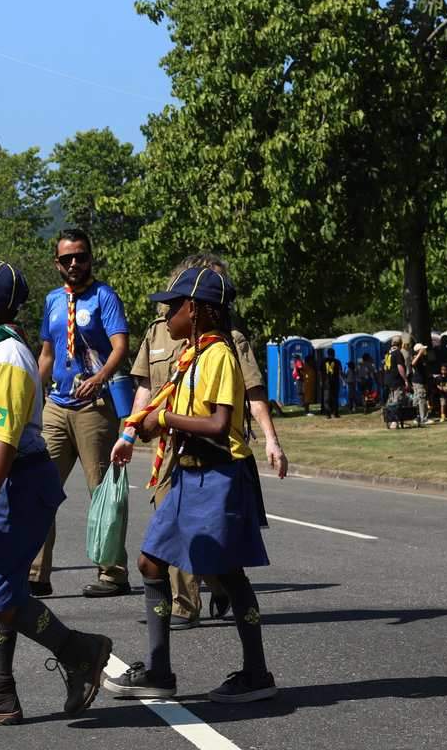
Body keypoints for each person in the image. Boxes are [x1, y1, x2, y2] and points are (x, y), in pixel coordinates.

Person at [0, 260, 113, 725]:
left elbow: (5, 437)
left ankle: (79, 650)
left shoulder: (6, 357)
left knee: (0, 594)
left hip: (10, 484)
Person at [105, 266, 277, 704]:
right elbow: (180, 413)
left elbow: (219, 425)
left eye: (173, 306)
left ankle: (256, 673)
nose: (165, 315)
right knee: (150, 562)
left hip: (219, 474)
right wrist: (145, 427)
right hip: (188, 474)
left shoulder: (219, 355)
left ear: (197, 311)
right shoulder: (192, 356)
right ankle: (159, 671)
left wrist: (161, 419)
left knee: (226, 574)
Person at [127, 252, 289, 629]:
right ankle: (171, 628)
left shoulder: (224, 348)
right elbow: (148, 389)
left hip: (214, 462)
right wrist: (133, 430)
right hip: (175, 454)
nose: (168, 315)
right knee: (157, 552)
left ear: (195, 309)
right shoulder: (164, 334)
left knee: (222, 561)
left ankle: (247, 660)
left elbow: (245, 399)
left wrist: (271, 440)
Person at [29, 229, 131, 599]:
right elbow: (47, 355)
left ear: (91, 258)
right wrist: (31, 395)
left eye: (81, 256)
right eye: (67, 258)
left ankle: (113, 573)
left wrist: (100, 378)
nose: (75, 263)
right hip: (57, 405)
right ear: (56, 263)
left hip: (94, 407)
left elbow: (121, 345)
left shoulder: (104, 296)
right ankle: (37, 573)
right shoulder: (53, 300)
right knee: (40, 488)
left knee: (102, 491)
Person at [382, 337, 410, 428]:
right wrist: (405, 379)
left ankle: (389, 420)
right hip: (396, 380)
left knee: (390, 401)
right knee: (397, 401)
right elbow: (400, 367)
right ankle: (394, 422)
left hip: (388, 380)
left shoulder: (388, 353)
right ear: (400, 344)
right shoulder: (398, 353)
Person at [410, 342, 431, 424]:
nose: (424, 350)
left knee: (418, 399)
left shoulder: (423, 358)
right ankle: (423, 418)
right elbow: (413, 363)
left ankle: (417, 417)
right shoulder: (416, 357)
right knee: (421, 399)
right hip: (418, 381)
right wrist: (419, 353)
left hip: (421, 381)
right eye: (423, 349)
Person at [321, 349, 342, 419]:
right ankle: (335, 413)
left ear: (327, 353)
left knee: (327, 399)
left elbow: (320, 372)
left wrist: (321, 381)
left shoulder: (323, 361)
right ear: (334, 353)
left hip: (326, 382)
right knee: (335, 398)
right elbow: (340, 372)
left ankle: (328, 414)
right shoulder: (337, 361)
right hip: (335, 382)